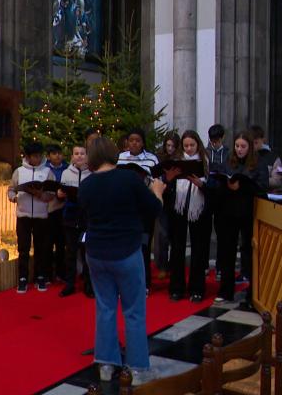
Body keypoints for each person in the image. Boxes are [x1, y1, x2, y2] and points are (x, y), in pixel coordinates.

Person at [78, 136, 165, 385]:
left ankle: (106, 364)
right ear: (113, 153)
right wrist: (157, 191)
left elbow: (86, 214)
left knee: (105, 307)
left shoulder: (87, 185)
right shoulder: (128, 179)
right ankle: (137, 369)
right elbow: (154, 210)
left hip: (96, 253)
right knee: (134, 310)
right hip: (125, 251)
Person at [216, 131, 269, 306]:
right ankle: (226, 291)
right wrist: (227, 185)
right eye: (237, 146)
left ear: (250, 147)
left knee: (249, 252)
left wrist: (242, 185)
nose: (239, 150)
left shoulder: (258, 163)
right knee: (227, 252)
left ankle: (252, 294)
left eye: (243, 146)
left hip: (249, 213)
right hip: (228, 212)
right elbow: (220, 183)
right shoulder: (228, 162)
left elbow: (262, 187)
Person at [165, 130, 213, 303]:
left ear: (197, 144)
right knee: (177, 248)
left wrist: (201, 184)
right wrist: (169, 178)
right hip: (179, 207)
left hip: (198, 208)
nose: (189, 148)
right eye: (186, 145)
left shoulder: (205, 161)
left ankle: (197, 288)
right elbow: (167, 184)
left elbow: (213, 186)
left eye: (192, 145)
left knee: (198, 249)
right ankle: (177, 288)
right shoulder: (177, 161)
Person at [7, 142, 56, 293]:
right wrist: (14, 197)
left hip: (41, 216)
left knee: (41, 247)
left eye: (40, 155)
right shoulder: (19, 172)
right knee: (23, 248)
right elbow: (11, 189)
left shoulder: (48, 172)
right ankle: (22, 278)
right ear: (27, 157)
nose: (38, 158)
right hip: (23, 215)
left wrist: (40, 194)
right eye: (35, 156)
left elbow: (52, 194)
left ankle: (40, 276)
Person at [117, 128, 160, 291]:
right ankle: (125, 283)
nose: (134, 143)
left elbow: (158, 181)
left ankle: (144, 283)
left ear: (143, 142)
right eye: (131, 140)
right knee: (126, 246)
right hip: (125, 207)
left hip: (144, 207)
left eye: (138, 140)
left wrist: (145, 180)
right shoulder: (120, 158)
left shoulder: (151, 159)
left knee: (143, 246)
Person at [56, 144, 92, 297]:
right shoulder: (66, 173)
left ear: (87, 156)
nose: (79, 156)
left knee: (87, 252)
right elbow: (60, 193)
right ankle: (69, 284)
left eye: (82, 153)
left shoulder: (92, 173)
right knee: (70, 251)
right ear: (71, 156)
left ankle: (89, 285)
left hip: (86, 217)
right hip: (70, 215)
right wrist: (60, 194)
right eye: (76, 153)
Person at [154, 132, 181, 280]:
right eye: (167, 145)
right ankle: (163, 265)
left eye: (172, 146)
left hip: (177, 199)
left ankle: (174, 264)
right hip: (164, 198)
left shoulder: (180, 159)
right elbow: (156, 177)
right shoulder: (159, 159)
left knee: (175, 235)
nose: (170, 148)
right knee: (162, 235)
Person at [206, 124, 230, 282]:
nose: (214, 143)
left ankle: (221, 266)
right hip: (208, 194)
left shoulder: (228, 152)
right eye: (212, 140)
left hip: (223, 195)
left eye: (217, 140)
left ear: (222, 138)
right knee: (205, 232)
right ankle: (204, 265)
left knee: (222, 233)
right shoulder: (206, 153)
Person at [45, 144, 69, 282]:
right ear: (48, 156)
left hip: (63, 209)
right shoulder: (45, 169)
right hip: (48, 209)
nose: (58, 156)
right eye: (54, 154)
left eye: (60, 153)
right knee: (47, 243)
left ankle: (61, 272)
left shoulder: (67, 169)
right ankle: (48, 273)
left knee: (61, 243)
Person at [250, 125, 282, 190]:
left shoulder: (274, 158)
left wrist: (257, 180)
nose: (253, 146)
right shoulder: (245, 155)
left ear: (263, 140)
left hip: (265, 194)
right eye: (251, 143)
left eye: (256, 143)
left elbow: (277, 181)